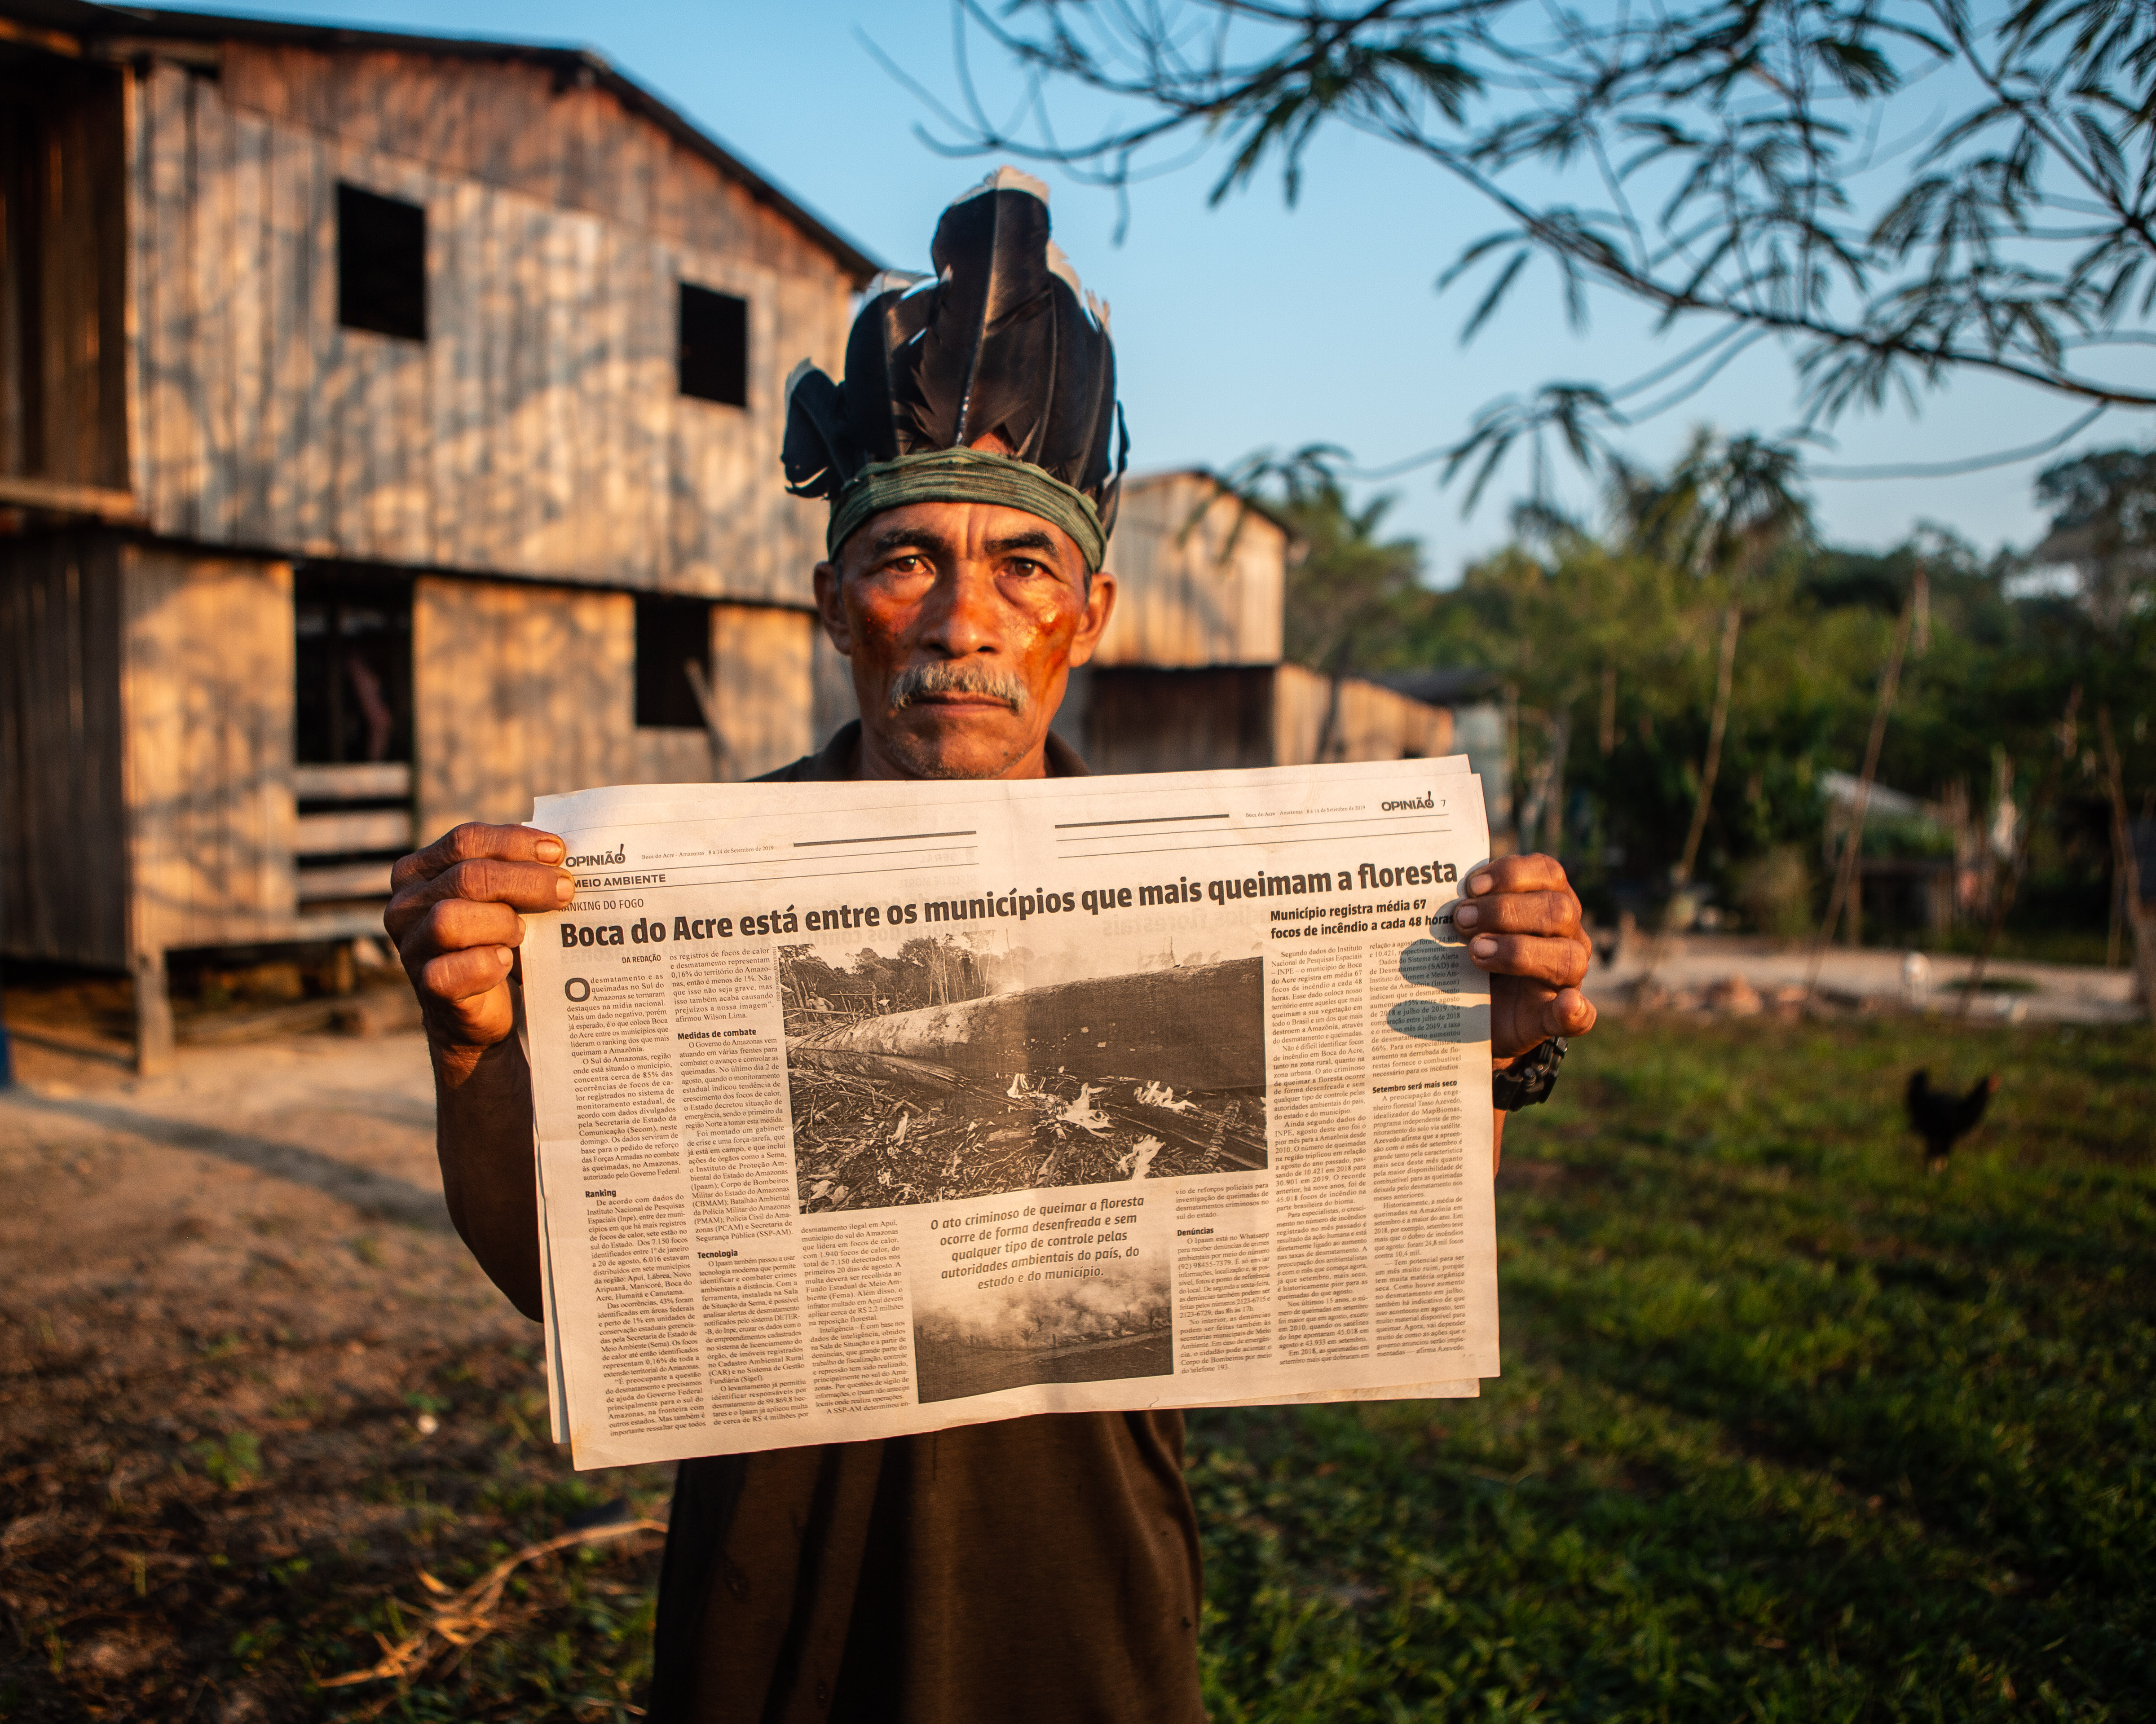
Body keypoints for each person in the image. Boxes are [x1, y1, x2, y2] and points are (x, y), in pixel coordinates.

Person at [385, 170, 1598, 1724]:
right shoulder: (663, 905)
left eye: (1020, 567)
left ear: (1084, 616)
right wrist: (475, 1044)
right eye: (908, 561)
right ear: (838, 606)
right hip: (779, 1598)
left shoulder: (1208, 901)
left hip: (1078, 1594)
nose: (964, 616)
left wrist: (1494, 1047)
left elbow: (1370, 1228)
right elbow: (570, 1287)